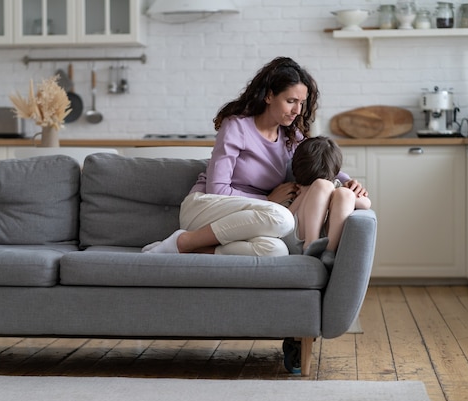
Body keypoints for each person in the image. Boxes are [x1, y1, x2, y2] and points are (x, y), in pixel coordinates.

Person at [141, 56, 368, 257]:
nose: (297, 110)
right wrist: (268, 201)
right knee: (282, 218)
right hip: (207, 207)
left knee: (276, 250)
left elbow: (318, 161)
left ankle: (192, 249)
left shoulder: (290, 134)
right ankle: (184, 240)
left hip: (253, 218)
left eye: (301, 103)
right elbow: (217, 190)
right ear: (269, 96)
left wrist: (348, 182)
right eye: (291, 101)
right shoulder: (236, 127)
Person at [282, 136, 371, 270]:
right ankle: (310, 245)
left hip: (324, 241)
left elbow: (366, 204)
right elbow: (283, 219)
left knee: (345, 193)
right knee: (323, 185)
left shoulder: (335, 186)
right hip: (298, 237)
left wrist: (346, 194)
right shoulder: (292, 190)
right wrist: (306, 193)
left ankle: (329, 251)